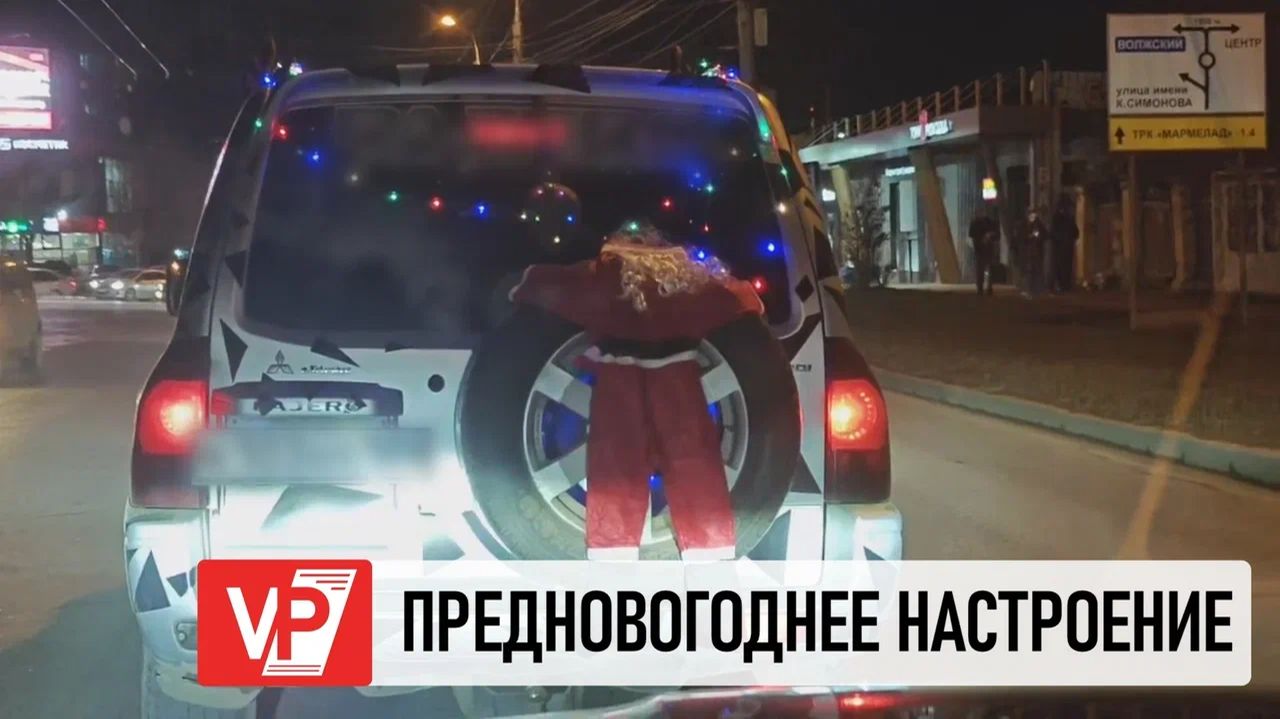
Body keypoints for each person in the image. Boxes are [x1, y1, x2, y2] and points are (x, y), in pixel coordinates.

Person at [509, 224, 764, 560]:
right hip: (677, 382)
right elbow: (733, 298)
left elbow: (556, 287)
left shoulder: (603, 277)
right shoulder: (687, 282)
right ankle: (708, 552)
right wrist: (751, 302)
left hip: (620, 381)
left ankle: (614, 555)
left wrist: (522, 286)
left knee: (616, 465)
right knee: (693, 462)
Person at [967, 208, 1000, 295]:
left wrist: (989, 236)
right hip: (981, 249)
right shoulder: (976, 223)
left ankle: (985, 287)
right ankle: (982, 287)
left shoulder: (989, 222)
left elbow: (997, 235)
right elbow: (972, 237)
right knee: (982, 269)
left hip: (986, 249)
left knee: (986, 269)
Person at [1050, 197, 1079, 293]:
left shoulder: (1069, 218)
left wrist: (1070, 237)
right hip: (1060, 248)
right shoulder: (1057, 218)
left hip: (1067, 248)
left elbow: (1076, 232)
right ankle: (1061, 285)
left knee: (1066, 267)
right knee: (1060, 267)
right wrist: (1061, 238)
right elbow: (1053, 233)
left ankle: (1065, 285)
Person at [1022, 208, 1049, 298]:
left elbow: (1046, 235)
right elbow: (1021, 237)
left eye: (1034, 215)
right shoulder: (1024, 225)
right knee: (1029, 271)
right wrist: (1030, 236)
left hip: (1038, 251)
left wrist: (1039, 236)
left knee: (1038, 271)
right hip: (1028, 252)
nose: (1033, 217)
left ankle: (1038, 290)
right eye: (1031, 215)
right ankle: (1029, 290)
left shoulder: (1039, 224)